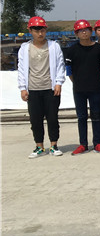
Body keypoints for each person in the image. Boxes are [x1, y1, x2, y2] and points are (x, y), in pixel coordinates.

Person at [18, 16, 66, 158]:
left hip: (50, 88)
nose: (40, 34)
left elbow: (60, 65)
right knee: (35, 119)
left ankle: (54, 145)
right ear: (30, 31)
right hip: (33, 89)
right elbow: (22, 68)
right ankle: (39, 146)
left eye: (42, 30)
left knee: (52, 118)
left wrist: (58, 83)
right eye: (36, 30)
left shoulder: (53, 46)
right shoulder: (25, 48)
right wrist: (22, 88)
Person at [65, 19, 100, 154]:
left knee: (96, 116)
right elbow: (69, 71)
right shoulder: (72, 50)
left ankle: (97, 143)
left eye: (86, 30)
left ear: (91, 31)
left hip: (95, 88)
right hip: (79, 89)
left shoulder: (98, 49)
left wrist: (96, 79)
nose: (84, 33)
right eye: (81, 31)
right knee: (81, 117)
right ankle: (83, 144)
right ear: (76, 33)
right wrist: (77, 82)